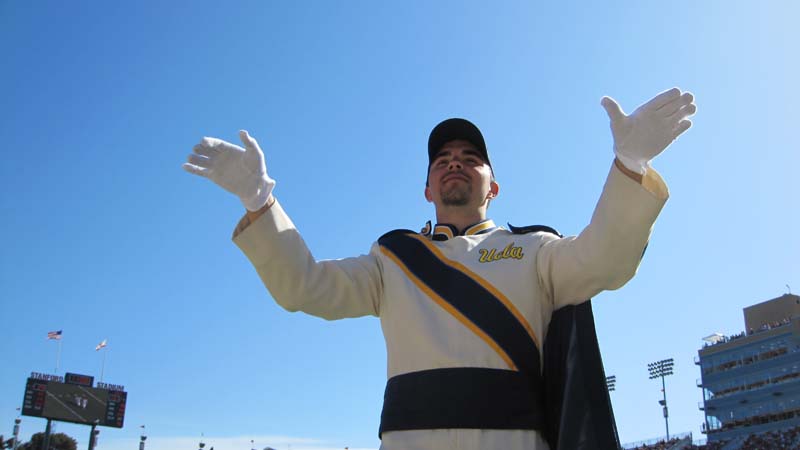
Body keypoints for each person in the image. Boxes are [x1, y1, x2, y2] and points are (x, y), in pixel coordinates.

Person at [183, 88, 696, 450]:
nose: (455, 162)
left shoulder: (537, 249)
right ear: (428, 188)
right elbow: (305, 288)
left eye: (471, 157)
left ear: (493, 185)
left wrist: (630, 163)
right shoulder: (393, 257)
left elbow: (606, 262)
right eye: (442, 158)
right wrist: (259, 203)